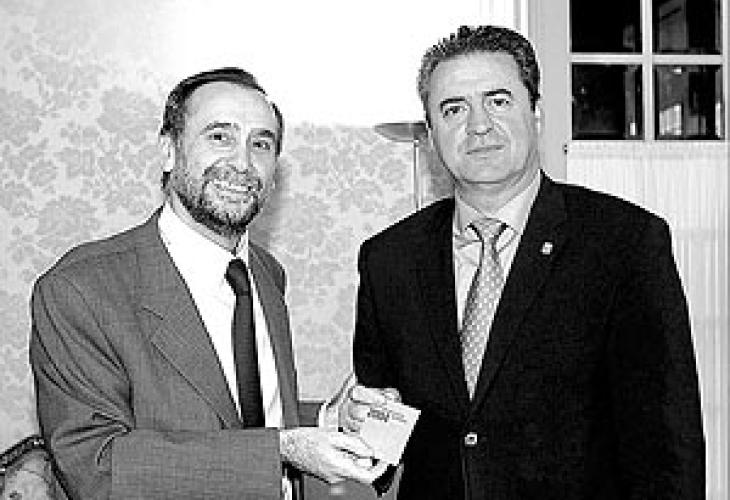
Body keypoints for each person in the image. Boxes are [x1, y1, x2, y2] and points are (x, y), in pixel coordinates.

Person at [342, 26, 705, 499]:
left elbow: (667, 448)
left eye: (498, 101)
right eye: (454, 109)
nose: (478, 125)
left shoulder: (625, 244)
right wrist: (354, 425)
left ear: (536, 112)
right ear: (430, 135)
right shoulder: (388, 259)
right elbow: (380, 438)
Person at [29, 67, 382, 500]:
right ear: (169, 151)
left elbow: (235, 417)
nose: (243, 163)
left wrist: (326, 419)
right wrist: (281, 450)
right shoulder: (81, 289)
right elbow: (98, 467)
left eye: (261, 143)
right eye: (220, 137)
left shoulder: (266, 273)